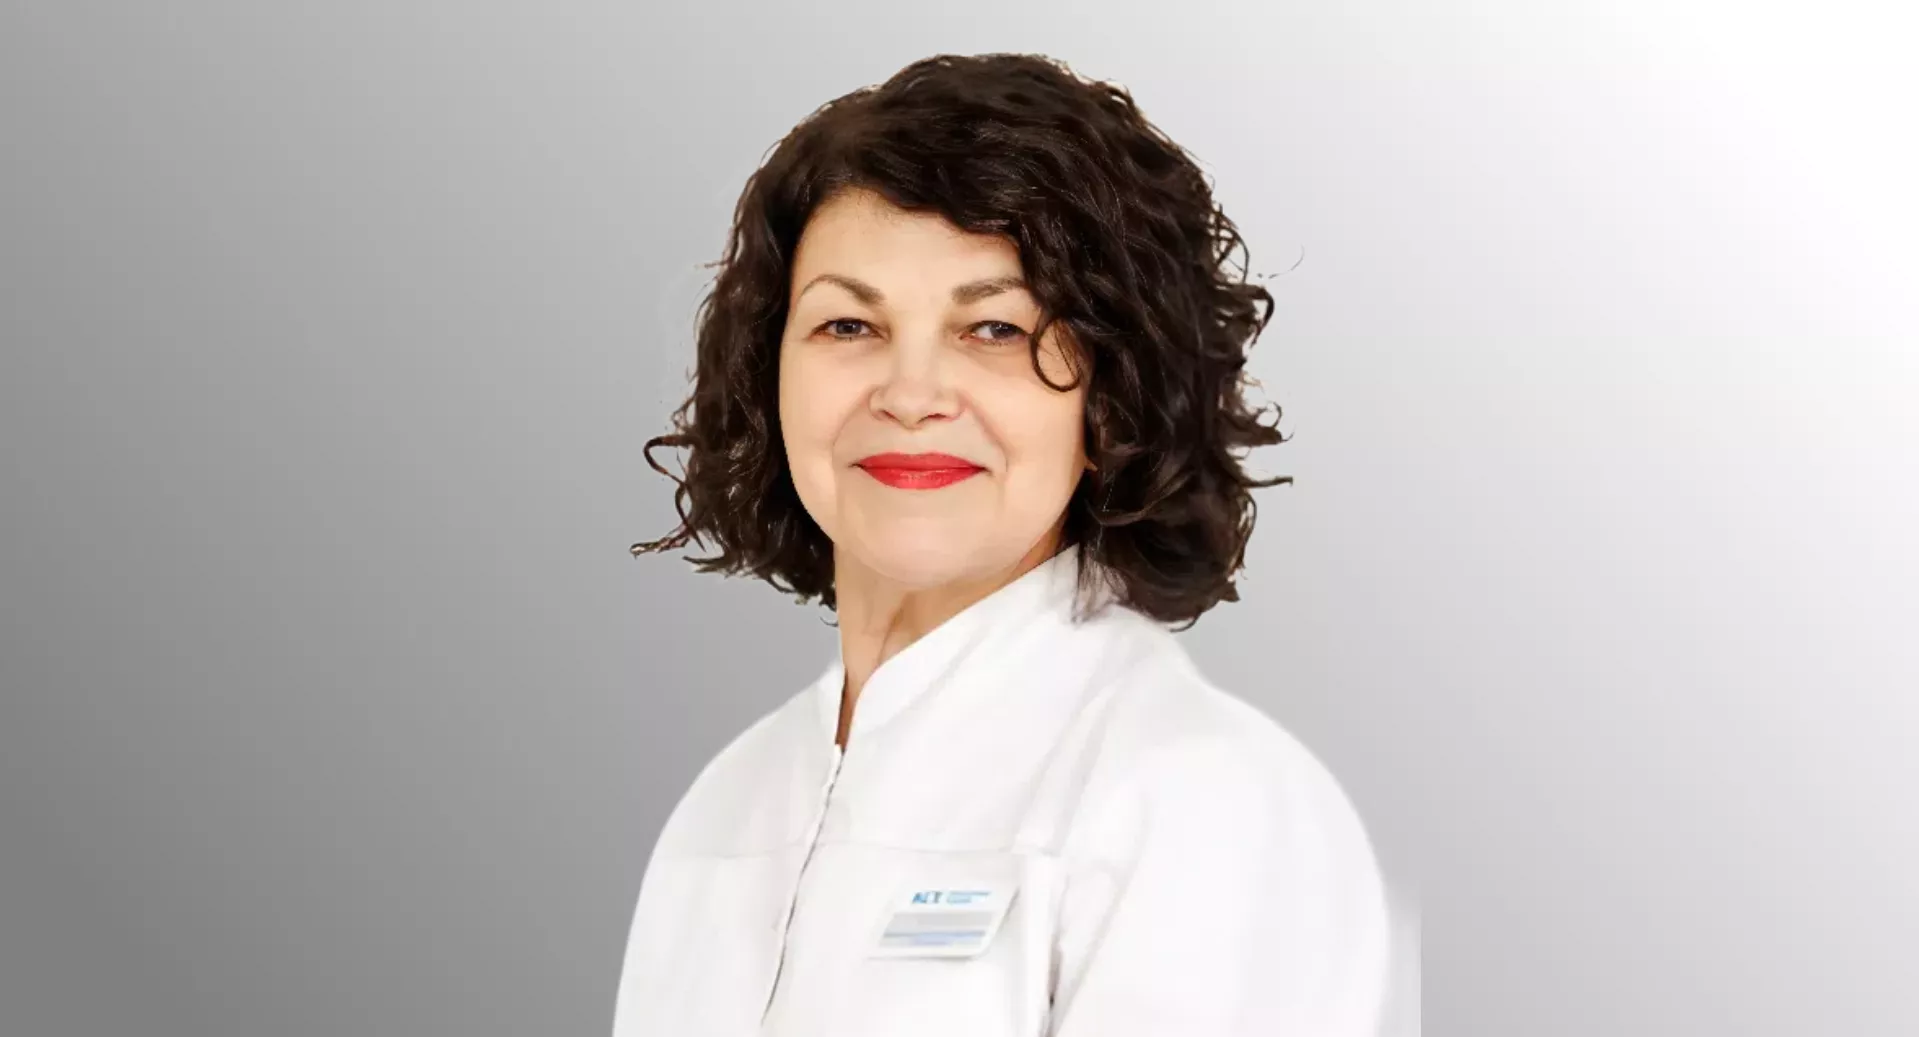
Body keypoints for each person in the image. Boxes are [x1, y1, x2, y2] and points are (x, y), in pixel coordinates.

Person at [619, 52, 1391, 1037]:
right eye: (847, 324)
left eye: (992, 328)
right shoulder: (728, 806)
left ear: (1113, 397)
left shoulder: (1200, 797)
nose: (909, 393)